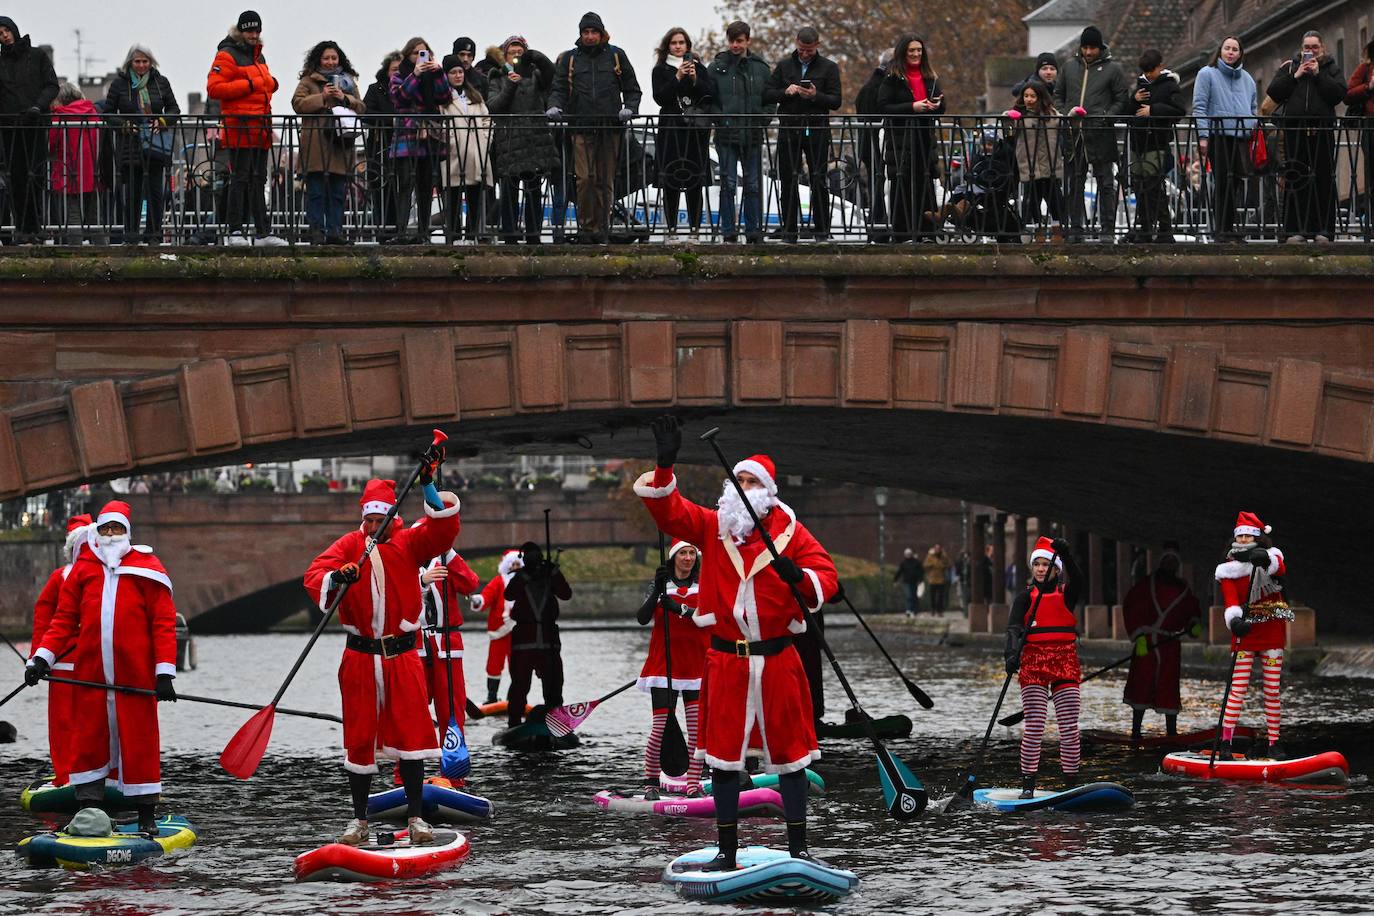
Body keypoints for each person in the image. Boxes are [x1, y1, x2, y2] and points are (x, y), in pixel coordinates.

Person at [638, 415, 839, 866]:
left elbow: (826, 577)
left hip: (777, 661)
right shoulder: (714, 527)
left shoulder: (791, 534)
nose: (743, 486)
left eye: (752, 481)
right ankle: (726, 853)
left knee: (791, 760)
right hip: (726, 662)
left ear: (768, 492)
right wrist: (665, 465)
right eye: (739, 479)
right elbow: (671, 512)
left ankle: (799, 848)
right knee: (724, 760)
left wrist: (800, 578)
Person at [301, 462, 461, 847]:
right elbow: (314, 573)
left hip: (401, 657)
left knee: (411, 736)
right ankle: (359, 820)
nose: (375, 526)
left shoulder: (409, 542)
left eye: (381, 519)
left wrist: (428, 485)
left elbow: (443, 530)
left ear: (393, 518)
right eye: (370, 520)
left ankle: (417, 817)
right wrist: (338, 576)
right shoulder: (349, 546)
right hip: (359, 658)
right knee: (359, 740)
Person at [25, 501, 178, 836]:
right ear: (98, 531)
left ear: (127, 532)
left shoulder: (147, 567)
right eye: (105, 528)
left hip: (134, 676)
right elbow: (63, 619)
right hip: (91, 676)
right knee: (88, 740)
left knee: (139, 742)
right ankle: (86, 810)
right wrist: (40, 659)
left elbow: (162, 623)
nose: (110, 535)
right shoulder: (84, 569)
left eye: (117, 529)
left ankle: (146, 814)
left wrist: (164, 672)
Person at [547, 11, 642, 244]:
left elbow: (632, 88)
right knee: (584, 179)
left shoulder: (617, 56)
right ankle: (587, 228)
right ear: (581, 34)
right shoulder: (571, 59)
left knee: (605, 180)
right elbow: (558, 89)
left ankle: (602, 228)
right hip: (580, 128)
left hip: (610, 129)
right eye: (586, 32)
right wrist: (554, 106)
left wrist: (630, 107)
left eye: (593, 32)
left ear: (601, 33)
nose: (590, 36)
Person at [1003, 535, 1082, 798]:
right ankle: (1028, 786)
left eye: (1044, 564)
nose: (1039, 568)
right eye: (1036, 564)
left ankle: (1071, 783)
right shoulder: (1025, 598)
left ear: (1056, 569)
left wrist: (1067, 554)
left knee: (1069, 726)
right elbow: (1013, 629)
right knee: (1035, 724)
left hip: (1064, 662)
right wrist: (1011, 656)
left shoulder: (1066, 594)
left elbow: (1080, 580)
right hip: (1034, 663)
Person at [1215, 511, 1292, 760]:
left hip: (1271, 632)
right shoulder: (1227, 570)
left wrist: (1265, 560)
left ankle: (1274, 743)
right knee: (1237, 689)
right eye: (1242, 535)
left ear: (1258, 537)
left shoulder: (1270, 558)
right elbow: (1230, 601)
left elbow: (1280, 568)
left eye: (1250, 535)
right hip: (1245, 635)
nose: (1246, 539)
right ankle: (1225, 744)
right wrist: (1234, 621)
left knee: (1271, 690)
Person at [634, 539, 708, 794]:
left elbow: (708, 619)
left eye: (691, 553)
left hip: (696, 667)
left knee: (697, 732)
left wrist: (679, 608)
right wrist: (657, 591)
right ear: (674, 557)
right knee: (659, 728)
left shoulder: (704, 585)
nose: (688, 558)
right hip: (663, 665)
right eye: (683, 553)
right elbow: (642, 618)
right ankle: (651, 783)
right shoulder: (661, 586)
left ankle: (692, 785)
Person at [206, 10, 285, 247]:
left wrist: (271, 84)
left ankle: (263, 232)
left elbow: (266, 86)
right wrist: (252, 83)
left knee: (258, 180)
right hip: (239, 128)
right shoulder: (227, 55)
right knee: (239, 179)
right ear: (241, 31)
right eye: (250, 30)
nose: (254, 34)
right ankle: (235, 230)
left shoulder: (258, 57)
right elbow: (214, 88)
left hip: (259, 128)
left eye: (257, 30)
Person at [29, 514, 92, 787]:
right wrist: (38, 658)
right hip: (64, 663)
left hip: (95, 662)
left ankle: (97, 773)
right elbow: (45, 617)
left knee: (94, 723)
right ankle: (66, 773)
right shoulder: (61, 577)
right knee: (64, 722)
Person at [1267, 31, 1346, 243]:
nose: (1310, 52)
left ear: (1322, 48)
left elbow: (1339, 94)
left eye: (1314, 47)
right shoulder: (1290, 67)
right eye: (1307, 47)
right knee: (1296, 179)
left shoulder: (1331, 67)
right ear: (1301, 49)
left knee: (1323, 180)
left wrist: (1319, 74)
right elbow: (1273, 92)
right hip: (1296, 132)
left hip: (1321, 131)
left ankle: (1324, 230)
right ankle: (1295, 230)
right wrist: (1296, 76)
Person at [764, 27, 841, 242]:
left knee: (819, 178)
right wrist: (785, 92)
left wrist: (816, 96)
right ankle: (789, 231)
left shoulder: (829, 67)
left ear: (817, 45)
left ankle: (822, 230)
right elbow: (767, 94)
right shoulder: (784, 66)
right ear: (796, 43)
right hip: (789, 128)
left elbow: (836, 100)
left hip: (816, 128)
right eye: (802, 50)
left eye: (809, 50)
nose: (805, 54)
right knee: (788, 179)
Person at [1054, 26, 1131, 242]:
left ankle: (1107, 229)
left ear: (1100, 47)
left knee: (1106, 183)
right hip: (1073, 134)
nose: (1088, 52)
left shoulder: (1113, 69)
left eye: (1093, 48)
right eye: (1085, 47)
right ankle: (1075, 229)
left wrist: (1107, 116)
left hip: (1100, 133)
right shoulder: (1069, 67)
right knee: (1074, 184)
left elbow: (1121, 99)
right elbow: (1057, 95)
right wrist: (1064, 114)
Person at [1121, 543, 1201, 740]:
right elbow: (1131, 607)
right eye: (1167, 560)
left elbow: (1191, 611)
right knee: (1142, 683)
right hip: (1147, 642)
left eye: (1174, 561)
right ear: (1161, 562)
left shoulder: (1183, 589)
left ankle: (1171, 733)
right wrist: (1138, 636)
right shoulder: (1145, 586)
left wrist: (1193, 624)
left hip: (1170, 644)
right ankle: (1136, 731)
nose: (1170, 564)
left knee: (1169, 685)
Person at [104, 45, 179, 246]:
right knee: (133, 192)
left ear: (151, 62)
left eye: (145, 61)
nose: (141, 65)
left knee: (155, 191)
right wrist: (124, 125)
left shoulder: (160, 82)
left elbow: (174, 109)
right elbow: (108, 112)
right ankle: (131, 235)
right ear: (130, 63)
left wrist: (162, 121)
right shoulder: (119, 84)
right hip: (130, 144)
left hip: (155, 144)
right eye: (137, 61)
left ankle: (154, 235)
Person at [292, 41, 365, 245]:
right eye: (326, 58)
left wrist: (345, 98)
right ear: (319, 60)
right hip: (316, 144)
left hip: (340, 143)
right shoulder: (308, 81)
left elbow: (362, 107)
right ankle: (316, 232)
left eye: (334, 58)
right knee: (315, 192)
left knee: (338, 192)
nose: (331, 62)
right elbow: (298, 104)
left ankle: (335, 231)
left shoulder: (348, 82)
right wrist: (322, 97)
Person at [487, 36, 559, 245]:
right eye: (512, 52)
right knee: (509, 190)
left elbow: (553, 76)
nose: (516, 56)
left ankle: (533, 234)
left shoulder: (536, 74)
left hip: (534, 139)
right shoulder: (497, 76)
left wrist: (536, 56)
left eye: (520, 52)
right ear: (505, 56)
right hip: (509, 141)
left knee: (533, 190)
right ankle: (509, 233)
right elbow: (494, 107)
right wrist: (510, 84)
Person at [877, 34, 945, 243]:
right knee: (902, 182)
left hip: (924, 137)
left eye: (919, 50)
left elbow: (943, 106)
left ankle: (928, 232)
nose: (916, 54)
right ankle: (903, 233)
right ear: (903, 53)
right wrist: (912, 107)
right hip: (901, 139)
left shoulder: (930, 77)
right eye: (911, 51)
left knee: (926, 181)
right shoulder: (893, 77)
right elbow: (882, 106)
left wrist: (935, 105)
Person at [708, 21, 772, 244]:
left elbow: (769, 98)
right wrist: (721, 119)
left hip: (752, 134)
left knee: (753, 185)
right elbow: (709, 99)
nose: (735, 45)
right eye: (732, 41)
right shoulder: (716, 68)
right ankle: (729, 231)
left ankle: (753, 231)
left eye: (739, 41)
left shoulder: (761, 68)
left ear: (748, 41)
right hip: (726, 135)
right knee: (728, 185)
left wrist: (763, 119)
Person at [651, 27, 715, 241]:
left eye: (681, 43)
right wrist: (677, 76)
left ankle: (695, 230)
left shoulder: (699, 68)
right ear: (667, 46)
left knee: (694, 178)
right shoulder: (660, 70)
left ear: (688, 46)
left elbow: (708, 95)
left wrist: (695, 78)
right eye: (674, 43)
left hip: (694, 130)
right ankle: (671, 230)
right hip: (671, 128)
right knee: (671, 178)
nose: (678, 47)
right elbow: (660, 97)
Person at [418, 531, 480, 749]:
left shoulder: (445, 562)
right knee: (412, 708)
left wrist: (449, 553)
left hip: (446, 643)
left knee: (450, 708)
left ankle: (453, 768)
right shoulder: (405, 562)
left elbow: (470, 584)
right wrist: (421, 581)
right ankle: (409, 771)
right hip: (414, 644)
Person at [0, 16, 59, 245]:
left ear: (14, 30)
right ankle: (23, 229)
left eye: (6, 30)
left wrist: (38, 106)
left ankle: (35, 228)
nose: (4, 35)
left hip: (34, 124)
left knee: (36, 177)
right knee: (16, 179)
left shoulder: (37, 56)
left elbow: (51, 84)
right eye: (0, 33)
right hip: (10, 128)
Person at [1193, 37, 1257, 242]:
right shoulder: (1207, 74)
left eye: (1235, 49)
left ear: (1240, 53)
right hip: (1218, 136)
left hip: (1240, 137)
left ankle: (1230, 229)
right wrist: (1203, 136)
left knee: (1236, 183)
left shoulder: (1247, 79)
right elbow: (1200, 106)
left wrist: (1251, 125)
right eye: (1227, 48)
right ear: (1220, 51)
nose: (1230, 52)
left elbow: (1253, 106)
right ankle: (1220, 229)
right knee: (1222, 182)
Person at [390, 37, 452, 244]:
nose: (420, 57)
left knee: (426, 187)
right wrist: (415, 74)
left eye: (424, 53)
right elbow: (401, 98)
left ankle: (423, 232)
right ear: (408, 55)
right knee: (406, 184)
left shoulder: (434, 76)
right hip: (407, 138)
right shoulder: (399, 76)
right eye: (416, 53)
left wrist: (439, 73)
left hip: (429, 139)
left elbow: (444, 97)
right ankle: (401, 232)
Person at [504, 541, 572, 728]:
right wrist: (524, 577)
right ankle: (515, 724)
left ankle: (556, 722)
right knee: (519, 686)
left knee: (553, 686)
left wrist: (554, 574)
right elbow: (509, 595)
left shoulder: (550, 576)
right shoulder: (520, 577)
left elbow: (566, 593)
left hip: (548, 642)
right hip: (525, 641)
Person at [1126, 49, 1184, 243]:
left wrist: (1153, 110)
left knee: (1153, 185)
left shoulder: (1169, 86)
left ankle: (1159, 228)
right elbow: (1128, 112)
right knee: (1141, 186)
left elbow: (1179, 111)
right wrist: (1134, 101)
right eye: (1146, 71)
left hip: (1157, 143)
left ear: (1160, 66)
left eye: (1152, 70)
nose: (1149, 74)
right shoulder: (1140, 86)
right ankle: (1149, 228)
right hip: (1138, 144)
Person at [438, 54, 493, 244]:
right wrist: (450, 139)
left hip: (476, 151)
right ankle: (453, 237)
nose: (458, 76)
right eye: (453, 72)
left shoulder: (474, 96)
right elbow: (439, 123)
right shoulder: (443, 99)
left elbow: (487, 120)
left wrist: (485, 139)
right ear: (446, 75)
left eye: (460, 71)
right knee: (452, 195)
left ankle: (471, 236)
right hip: (454, 151)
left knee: (474, 196)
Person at [1005, 79, 1064, 241]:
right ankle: (1038, 229)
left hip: (1050, 162)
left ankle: (1057, 228)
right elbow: (1006, 124)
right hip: (1029, 163)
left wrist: (1074, 115)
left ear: (1040, 97)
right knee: (1033, 198)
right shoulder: (1020, 114)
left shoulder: (1051, 114)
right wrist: (1008, 117)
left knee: (1054, 197)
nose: (1029, 99)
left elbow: (1065, 122)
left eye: (1032, 96)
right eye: (1026, 96)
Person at [47, 82, 106, 246]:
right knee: (95, 217)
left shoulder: (60, 115)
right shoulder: (92, 112)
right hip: (92, 170)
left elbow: (51, 144)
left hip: (68, 170)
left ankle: (76, 251)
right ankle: (104, 251)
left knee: (73, 215)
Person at [363, 52, 402, 242]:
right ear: (386, 71)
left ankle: (399, 232)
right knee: (380, 192)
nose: (397, 73)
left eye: (400, 70)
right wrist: (392, 120)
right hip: (380, 148)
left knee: (400, 192)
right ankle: (384, 233)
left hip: (403, 148)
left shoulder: (407, 90)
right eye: (394, 69)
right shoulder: (375, 89)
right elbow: (365, 112)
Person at [476, 548, 523, 704]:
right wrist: (479, 601)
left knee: (517, 665)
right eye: (513, 564)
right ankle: (492, 697)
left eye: (518, 564)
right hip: (500, 630)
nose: (515, 567)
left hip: (518, 630)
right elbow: (487, 596)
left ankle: (515, 697)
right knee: (494, 663)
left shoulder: (526, 583)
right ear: (507, 565)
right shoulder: (498, 582)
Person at [854, 58, 890, 240]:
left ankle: (875, 226)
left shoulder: (867, 87)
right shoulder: (883, 87)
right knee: (881, 185)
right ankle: (880, 226)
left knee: (876, 185)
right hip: (880, 144)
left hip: (867, 144)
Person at [1345, 41, 1374, 237]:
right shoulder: (1365, 68)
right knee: (1372, 177)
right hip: (1371, 127)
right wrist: (1369, 86)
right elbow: (1347, 95)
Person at [923, 544, 953, 612]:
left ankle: (940, 610)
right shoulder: (930, 556)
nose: (938, 550)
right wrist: (931, 565)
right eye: (936, 549)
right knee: (932, 596)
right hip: (932, 579)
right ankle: (933, 609)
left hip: (941, 578)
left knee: (940, 596)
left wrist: (944, 566)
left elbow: (949, 564)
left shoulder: (944, 557)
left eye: (939, 549)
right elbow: (925, 565)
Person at [893, 547, 923, 616]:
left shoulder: (916, 562)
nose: (908, 555)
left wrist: (920, 580)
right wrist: (895, 580)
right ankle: (909, 609)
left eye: (909, 554)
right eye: (907, 554)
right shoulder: (903, 563)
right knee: (909, 596)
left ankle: (914, 610)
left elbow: (921, 571)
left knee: (914, 596)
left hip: (915, 582)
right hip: (907, 582)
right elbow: (899, 572)